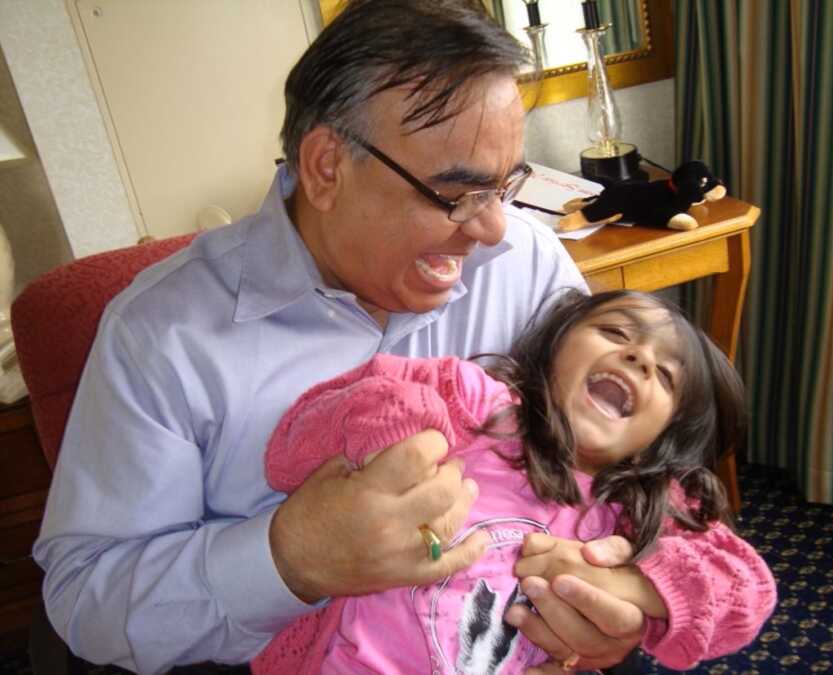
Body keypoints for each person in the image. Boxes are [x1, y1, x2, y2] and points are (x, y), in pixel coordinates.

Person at [33, 1, 655, 673]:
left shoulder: (527, 266)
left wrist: (624, 591)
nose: (494, 230)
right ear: (327, 166)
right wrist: (288, 558)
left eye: (506, 186)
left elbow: (639, 466)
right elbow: (86, 597)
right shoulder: (160, 337)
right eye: (455, 194)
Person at [250, 289, 777, 674]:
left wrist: (635, 583)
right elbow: (289, 451)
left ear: (665, 433)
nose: (640, 358)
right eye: (616, 333)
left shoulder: (642, 505)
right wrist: (393, 424)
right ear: (555, 345)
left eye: (666, 376)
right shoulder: (475, 402)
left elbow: (747, 595)